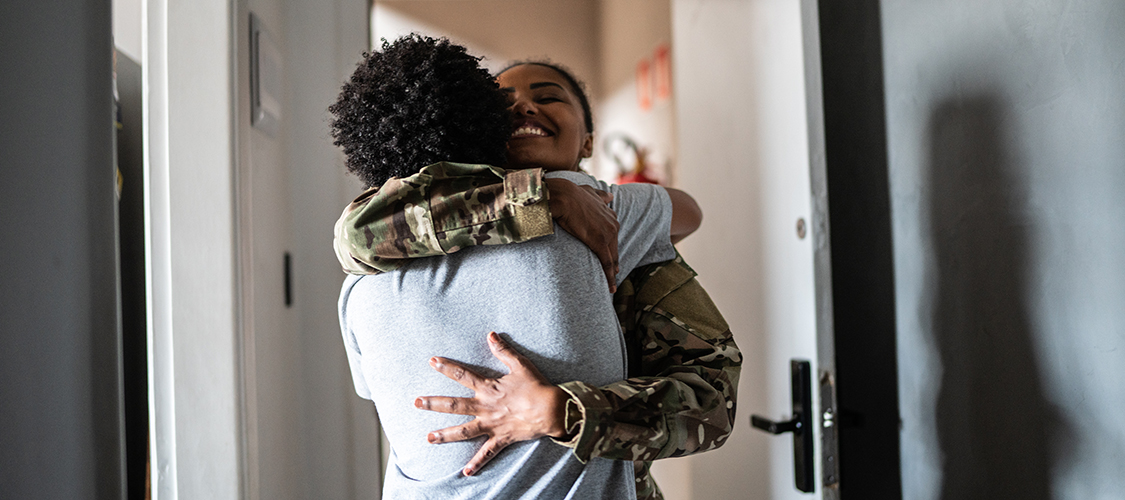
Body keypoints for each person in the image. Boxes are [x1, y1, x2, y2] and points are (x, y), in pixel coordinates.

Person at [333, 37, 740, 500]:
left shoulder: (612, 220)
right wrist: (545, 198)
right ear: (482, 129)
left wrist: (566, 411)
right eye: (503, 103)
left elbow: (710, 403)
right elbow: (356, 232)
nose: (525, 106)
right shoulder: (392, 234)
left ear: (589, 139)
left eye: (548, 96)